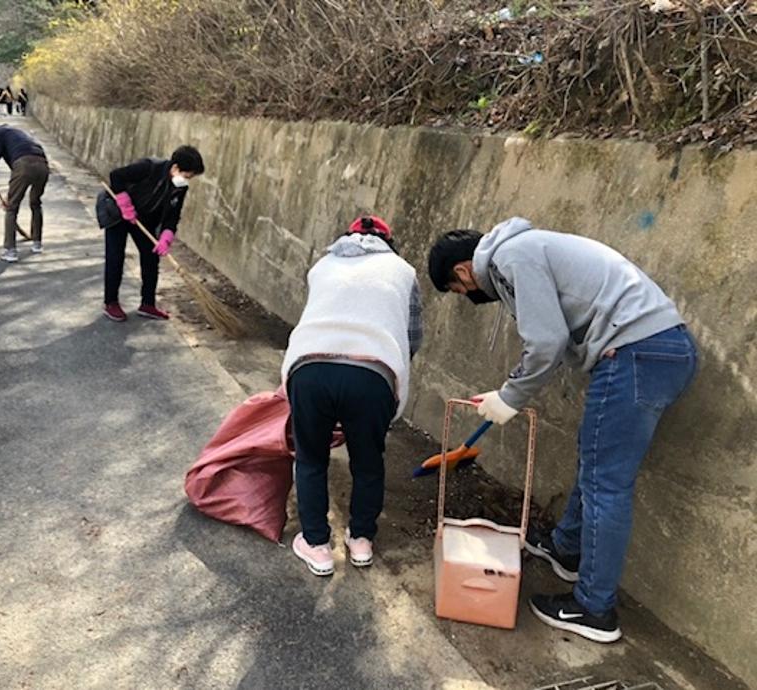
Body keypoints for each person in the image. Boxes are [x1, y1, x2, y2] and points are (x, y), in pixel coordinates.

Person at [427, 217, 697, 643]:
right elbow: (557, 339)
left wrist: (510, 396)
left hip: (634, 355)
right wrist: (508, 391)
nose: (469, 295)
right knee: (595, 462)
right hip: (657, 351)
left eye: (460, 291)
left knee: (607, 484)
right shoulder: (527, 248)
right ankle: (565, 546)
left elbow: (547, 341)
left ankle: (594, 609)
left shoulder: (511, 257)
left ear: (462, 273)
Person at [282, 216, 423, 576]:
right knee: (368, 460)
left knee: (311, 458)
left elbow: (316, 316)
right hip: (372, 372)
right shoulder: (402, 271)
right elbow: (413, 335)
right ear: (388, 241)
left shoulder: (322, 266)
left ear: (346, 237)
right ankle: (361, 541)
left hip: (310, 368)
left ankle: (317, 546)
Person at [95, 145, 204, 321]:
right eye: (186, 175)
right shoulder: (149, 167)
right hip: (117, 212)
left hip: (144, 217)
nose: (187, 180)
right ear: (175, 168)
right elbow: (116, 176)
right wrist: (124, 203)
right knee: (116, 256)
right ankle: (111, 302)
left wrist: (166, 236)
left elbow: (173, 215)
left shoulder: (180, 187)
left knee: (151, 256)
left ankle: (148, 304)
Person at [0, 124, 50, 262]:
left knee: (12, 208)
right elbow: (14, 160)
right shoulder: (20, 135)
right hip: (43, 165)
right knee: (36, 203)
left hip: (23, 165)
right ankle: (37, 243)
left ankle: (10, 251)